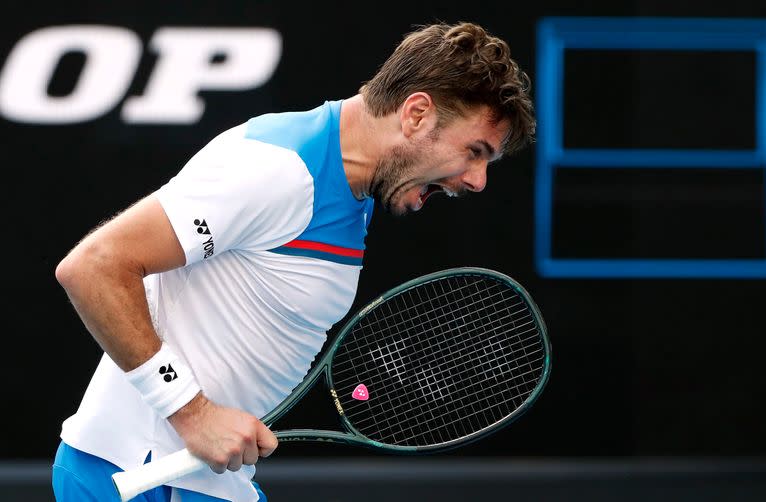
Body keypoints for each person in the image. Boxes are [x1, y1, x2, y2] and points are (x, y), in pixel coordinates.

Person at [53, 20, 536, 502]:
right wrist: (191, 412)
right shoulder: (278, 170)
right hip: (136, 476)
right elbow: (95, 266)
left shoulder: (355, 190)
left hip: (201, 481)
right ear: (416, 114)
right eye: (475, 152)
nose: (478, 181)